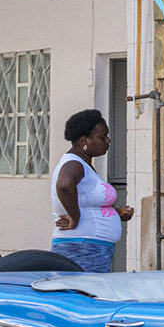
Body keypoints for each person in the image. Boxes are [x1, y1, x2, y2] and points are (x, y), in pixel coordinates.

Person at [51, 109, 133, 272]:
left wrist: (115, 213)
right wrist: (75, 217)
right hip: (82, 249)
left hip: (90, 248)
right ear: (84, 141)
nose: (108, 140)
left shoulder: (82, 164)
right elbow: (64, 185)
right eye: (102, 137)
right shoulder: (74, 163)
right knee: (82, 295)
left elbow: (85, 201)